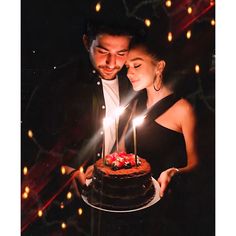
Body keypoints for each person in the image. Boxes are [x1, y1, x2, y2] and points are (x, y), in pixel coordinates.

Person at [21, 18, 138, 233]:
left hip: (111, 201)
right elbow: (29, 142)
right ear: (87, 42)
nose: (112, 63)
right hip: (63, 208)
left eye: (121, 54)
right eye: (103, 51)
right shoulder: (58, 83)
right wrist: (63, 169)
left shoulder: (132, 82)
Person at [118, 37, 199, 235]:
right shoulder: (133, 106)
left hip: (168, 215)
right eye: (127, 66)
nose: (129, 73)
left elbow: (198, 164)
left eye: (136, 65)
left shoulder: (183, 109)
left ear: (159, 66)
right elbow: (120, 151)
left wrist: (174, 172)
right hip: (131, 209)